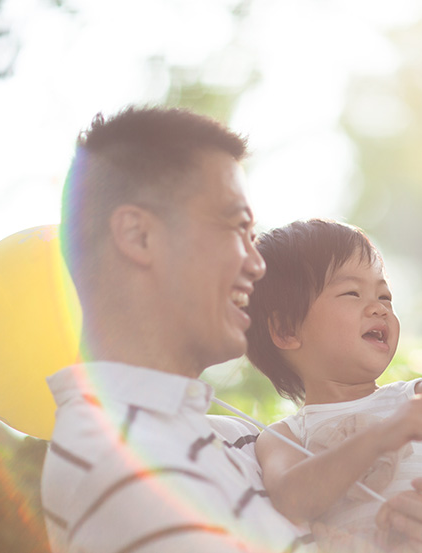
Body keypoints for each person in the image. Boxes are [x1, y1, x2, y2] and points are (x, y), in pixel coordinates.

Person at [41, 106, 310, 553]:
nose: (257, 262)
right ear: (139, 236)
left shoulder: (229, 438)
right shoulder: (124, 465)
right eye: (237, 227)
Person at [245, 218, 422, 551]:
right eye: (352, 293)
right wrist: (379, 437)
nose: (379, 309)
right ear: (287, 329)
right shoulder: (284, 436)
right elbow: (291, 498)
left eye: (385, 296)